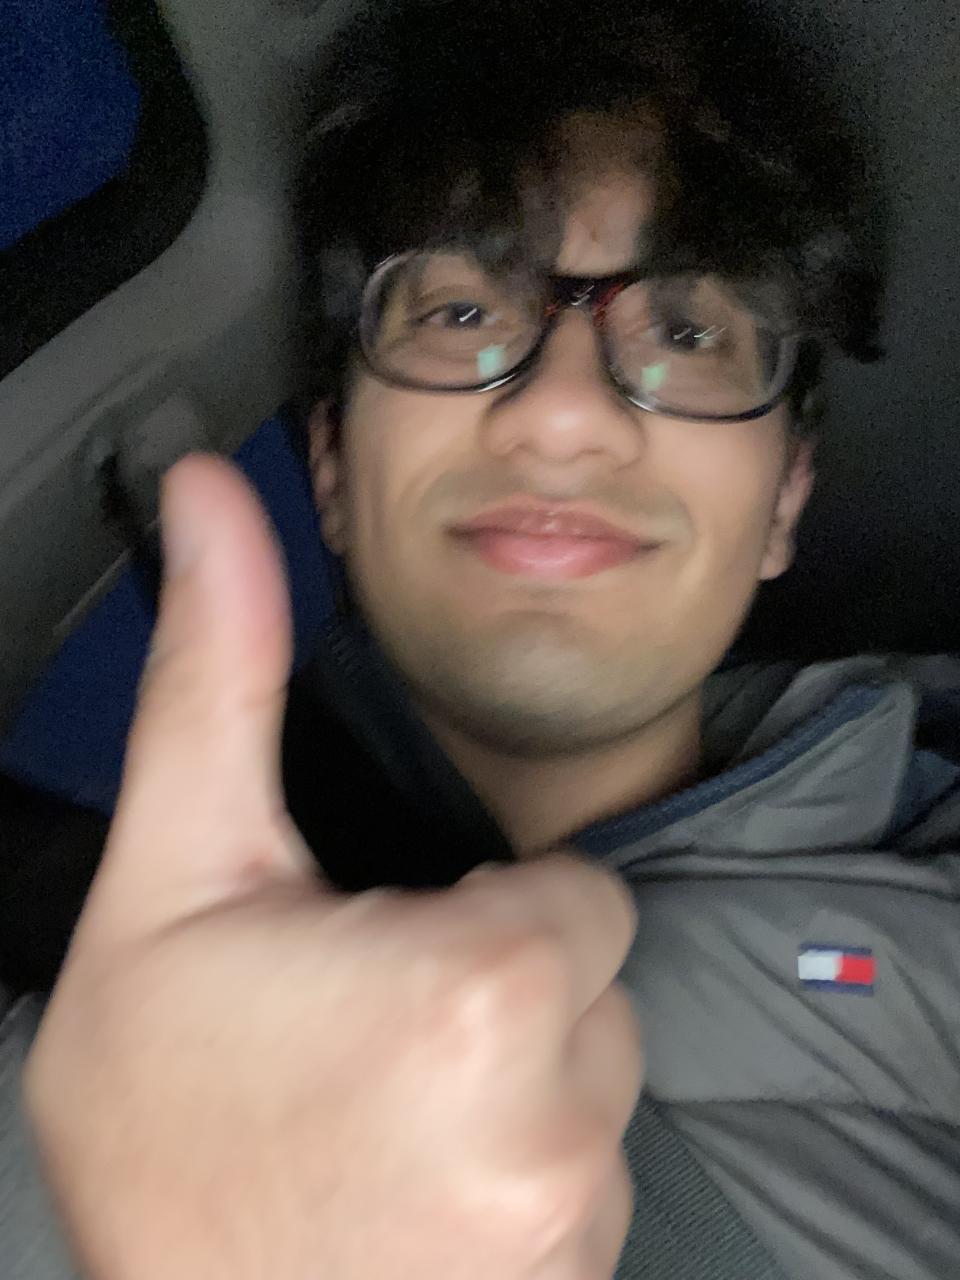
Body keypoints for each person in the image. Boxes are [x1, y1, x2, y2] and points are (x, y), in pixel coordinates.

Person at [3, 1, 959, 1276]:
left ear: (784, 500)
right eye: (460, 314)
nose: (562, 414)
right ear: (332, 473)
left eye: (686, 332)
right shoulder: (93, 1070)